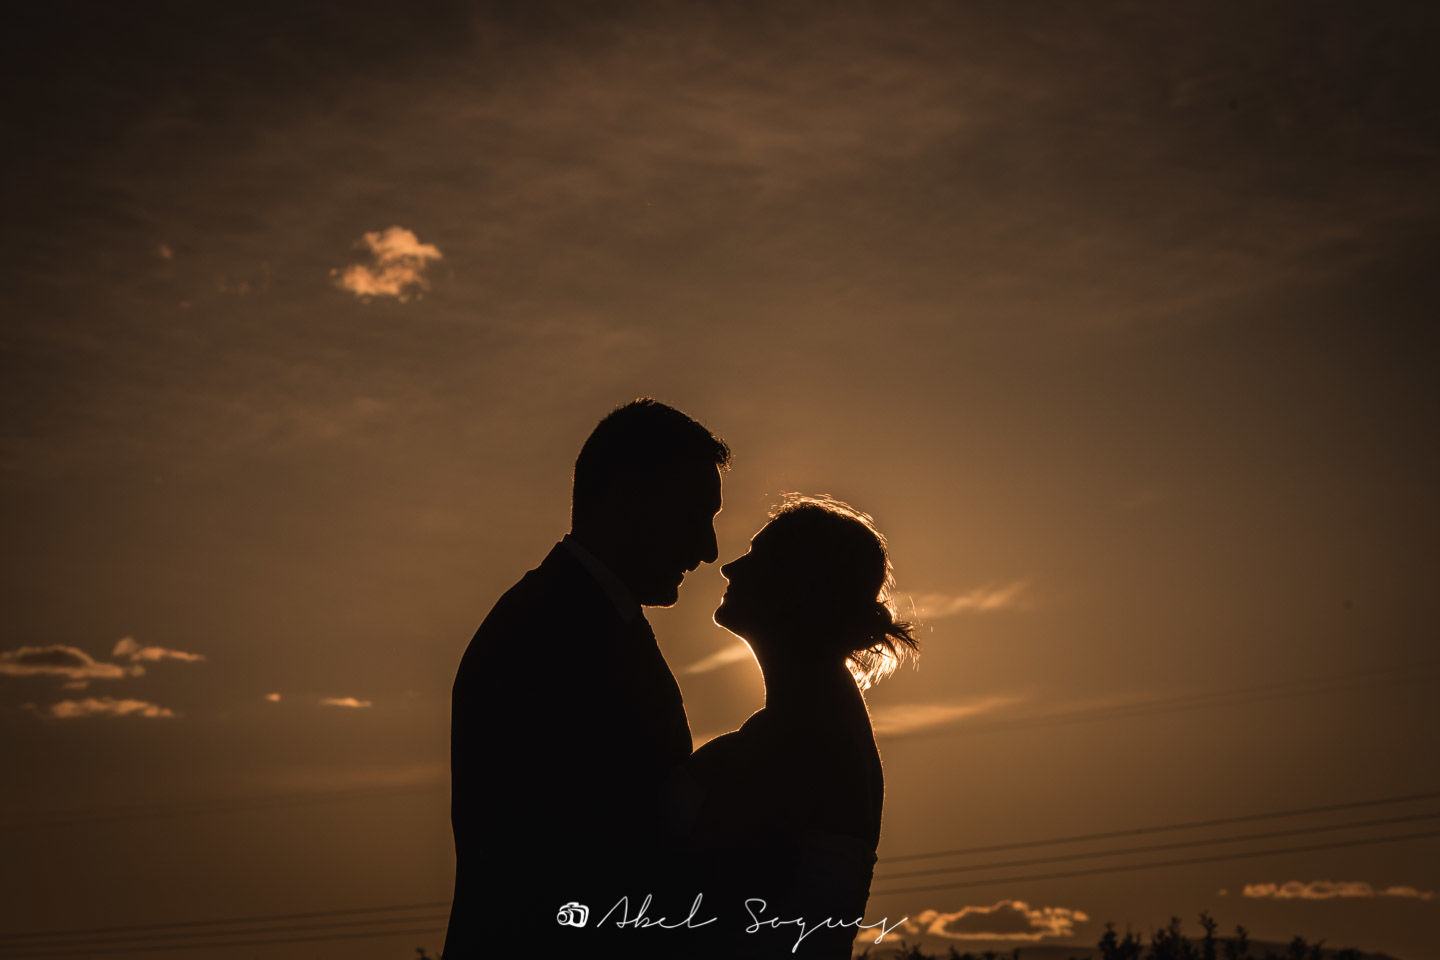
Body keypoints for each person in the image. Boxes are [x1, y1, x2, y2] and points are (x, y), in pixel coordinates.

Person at [443, 399, 728, 959]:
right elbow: (582, 855)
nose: (708, 549)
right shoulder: (548, 634)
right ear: (630, 499)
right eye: (695, 516)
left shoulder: (587, 620)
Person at [663, 494, 919, 959]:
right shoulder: (813, 720)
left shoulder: (800, 738)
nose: (728, 568)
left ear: (798, 587)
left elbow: (701, 905)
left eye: (757, 555)